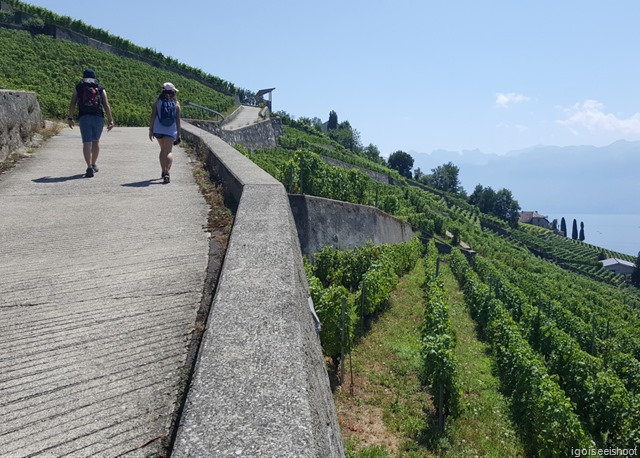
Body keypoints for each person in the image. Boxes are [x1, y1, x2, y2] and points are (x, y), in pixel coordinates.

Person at [67, 68, 114, 178]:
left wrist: (70, 117)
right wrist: (110, 120)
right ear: (94, 77)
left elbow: (73, 102)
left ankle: (88, 168)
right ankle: (93, 164)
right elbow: (106, 105)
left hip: (84, 117)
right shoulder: (100, 88)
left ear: (83, 77)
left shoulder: (79, 87)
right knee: (95, 142)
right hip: (98, 117)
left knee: (86, 142)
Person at [149, 82, 181, 184]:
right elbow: (178, 120)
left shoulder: (157, 102)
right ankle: (167, 172)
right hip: (170, 130)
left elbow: (153, 115)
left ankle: (163, 171)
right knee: (168, 151)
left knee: (162, 150)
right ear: (173, 92)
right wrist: (178, 134)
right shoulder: (176, 104)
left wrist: (151, 130)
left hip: (158, 129)